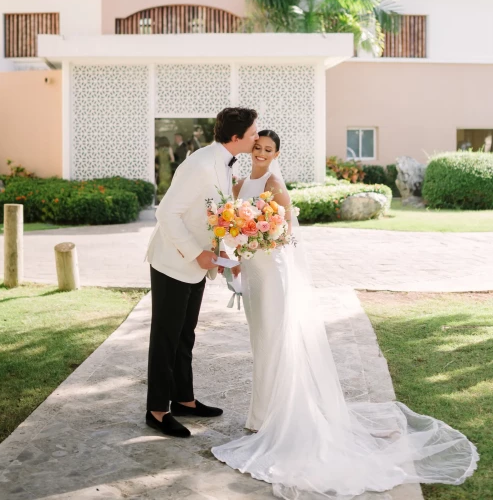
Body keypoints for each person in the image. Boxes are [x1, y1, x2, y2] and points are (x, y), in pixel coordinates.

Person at [212, 130, 478, 499]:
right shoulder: (241, 184)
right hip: (253, 272)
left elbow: (288, 230)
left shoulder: (274, 182)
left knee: (275, 340)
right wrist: (239, 246)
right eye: (257, 148)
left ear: (276, 154)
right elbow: (233, 225)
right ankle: (260, 415)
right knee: (260, 340)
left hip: (273, 271)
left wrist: (262, 236)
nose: (260, 153)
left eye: (268, 149)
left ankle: (273, 418)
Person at [145, 107, 259, 439]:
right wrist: (197, 254)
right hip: (173, 263)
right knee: (166, 338)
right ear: (237, 138)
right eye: (253, 134)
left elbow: (214, 213)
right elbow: (166, 213)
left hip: (197, 266)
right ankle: (157, 410)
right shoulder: (199, 165)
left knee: (185, 335)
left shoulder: (222, 163)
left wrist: (224, 251)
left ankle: (183, 399)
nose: (256, 138)